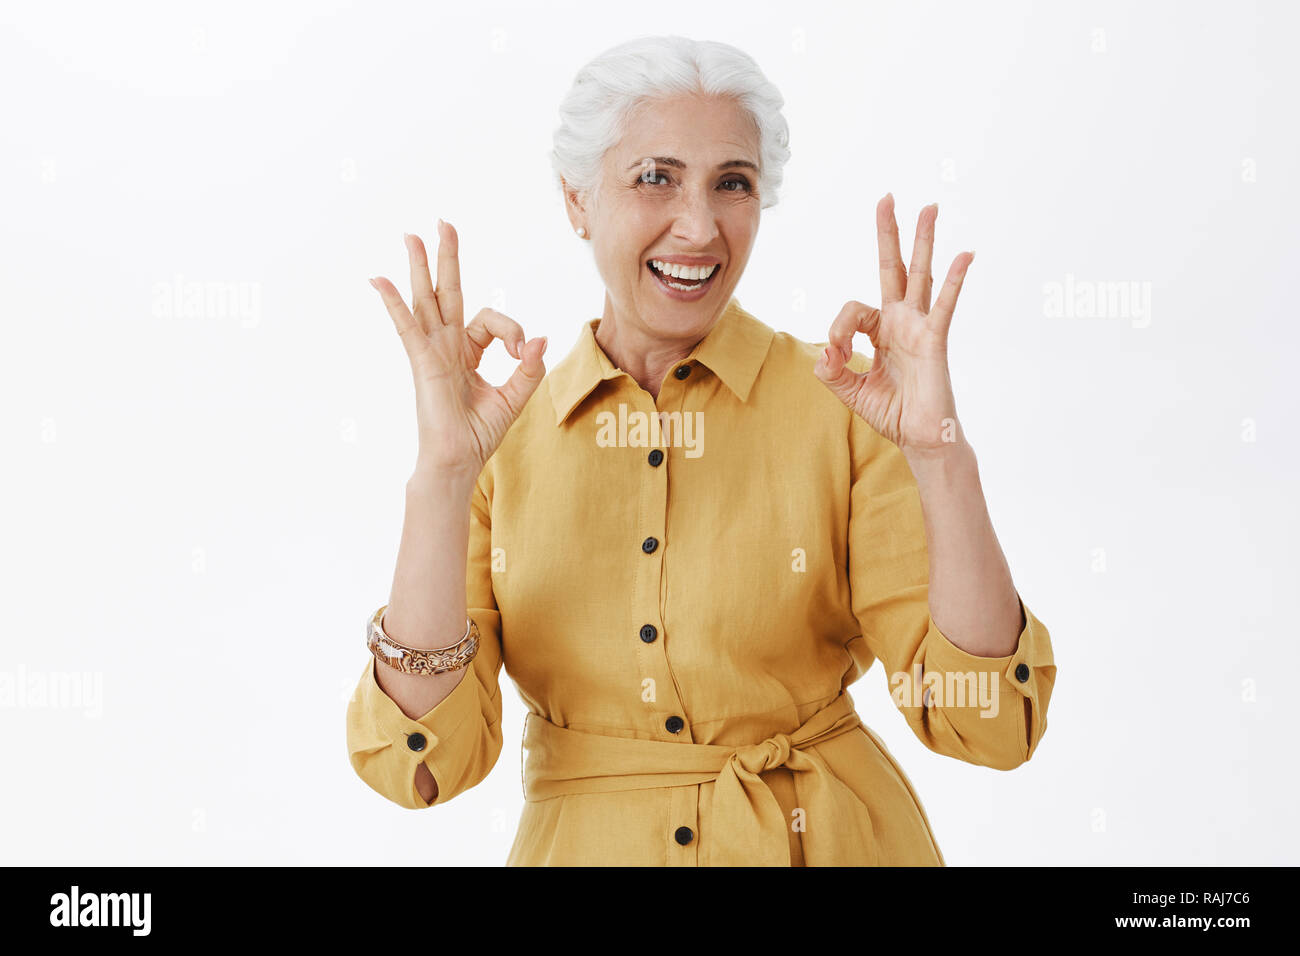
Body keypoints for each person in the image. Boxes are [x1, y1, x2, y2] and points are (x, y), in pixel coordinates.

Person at [345, 34, 1056, 866]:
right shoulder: (499, 434)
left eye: (733, 184)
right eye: (656, 178)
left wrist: (939, 453)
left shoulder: (851, 407)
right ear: (575, 199)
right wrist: (440, 478)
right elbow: (421, 763)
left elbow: (992, 726)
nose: (700, 225)